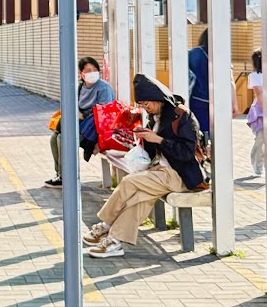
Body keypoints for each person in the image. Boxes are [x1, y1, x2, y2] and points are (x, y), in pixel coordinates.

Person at [84, 73, 205, 258]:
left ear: (158, 99)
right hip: (160, 171)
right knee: (138, 198)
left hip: (180, 175)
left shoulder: (181, 116)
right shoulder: (155, 116)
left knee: (129, 183)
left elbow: (186, 152)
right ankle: (115, 242)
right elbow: (152, 152)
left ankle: (105, 225)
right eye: (142, 105)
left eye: (147, 104)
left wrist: (157, 139)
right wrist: (144, 137)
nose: (145, 108)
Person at [45, 57, 115, 188]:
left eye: (95, 70)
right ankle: (60, 174)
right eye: (88, 70)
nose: (92, 73)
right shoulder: (80, 88)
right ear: (81, 73)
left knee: (63, 137)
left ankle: (66, 177)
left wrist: (84, 115)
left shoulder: (103, 88)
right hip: (83, 125)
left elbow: (105, 113)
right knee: (54, 138)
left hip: (95, 128)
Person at [187, 29, 211, 138]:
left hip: (197, 100)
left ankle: (205, 152)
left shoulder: (192, 54)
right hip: (217, 101)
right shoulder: (222, 55)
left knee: (201, 132)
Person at [247, 49, 265, 176]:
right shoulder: (254, 76)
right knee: (261, 138)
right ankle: (257, 165)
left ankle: (261, 165)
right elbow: (258, 94)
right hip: (260, 110)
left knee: (265, 139)